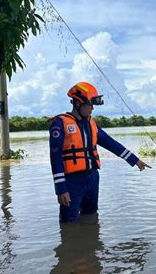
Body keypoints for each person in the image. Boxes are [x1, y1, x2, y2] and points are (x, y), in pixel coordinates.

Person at [49, 82, 150, 222]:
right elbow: (55, 158)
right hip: (71, 182)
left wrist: (135, 160)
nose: (92, 109)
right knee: (69, 222)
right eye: (89, 105)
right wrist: (61, 189)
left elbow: (111, 144)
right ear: (78, 103)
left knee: (91, 218)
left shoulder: (92, 124)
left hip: (92, 178)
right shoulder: (60, 124)